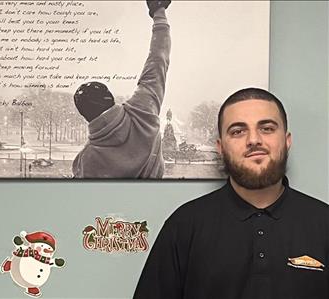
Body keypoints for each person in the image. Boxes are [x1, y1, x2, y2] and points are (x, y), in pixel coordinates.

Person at [133, 88, 329, 299]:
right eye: (237, 131)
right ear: (221, 147)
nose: (254, 140)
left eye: (267, 128)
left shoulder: (323, 222)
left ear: (287, 140)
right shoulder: (184, 226)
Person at [72, 0, 171, 178]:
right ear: (110, 97)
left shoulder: (87, 160)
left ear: (85, 115)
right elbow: (158, 58)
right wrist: (159, 12)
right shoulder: (142, 111)